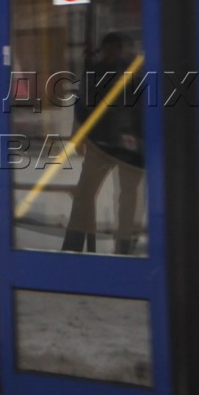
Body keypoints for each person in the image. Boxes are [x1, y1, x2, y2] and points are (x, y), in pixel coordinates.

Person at [61, 31, 145, 255]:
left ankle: (80, 242)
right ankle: (121, 243)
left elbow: (82, 106)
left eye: (114, 49)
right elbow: (82, 105)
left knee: (103, 194)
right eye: (107, 49)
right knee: (115, 195)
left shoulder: (123, 71)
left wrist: (79, 135)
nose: (110, 53)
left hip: (114, 143)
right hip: (118, 144)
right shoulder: (124, 71)